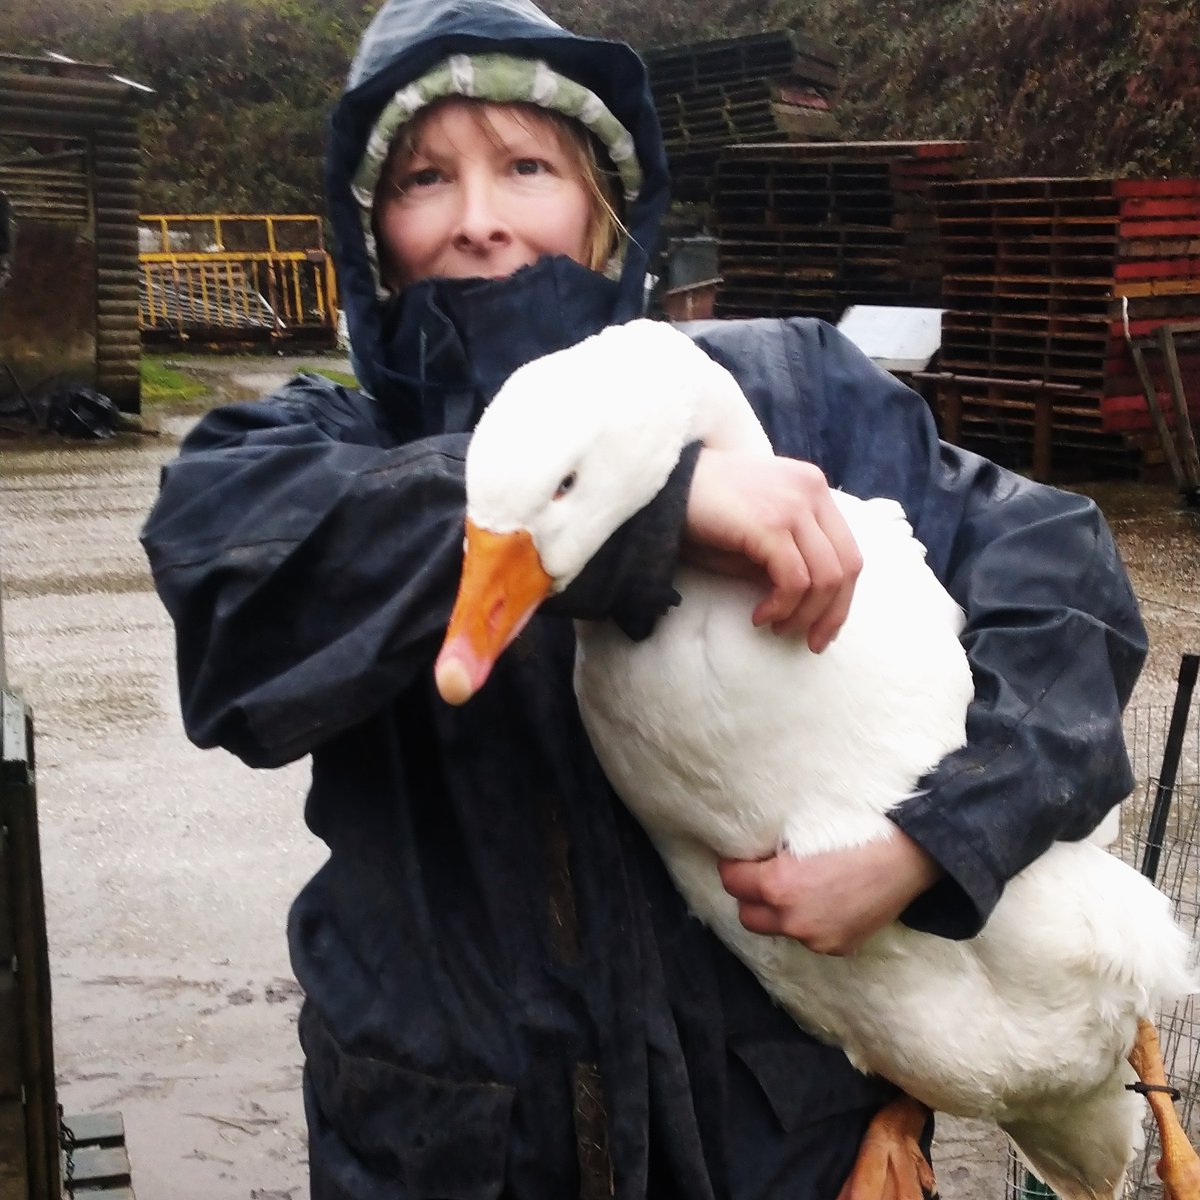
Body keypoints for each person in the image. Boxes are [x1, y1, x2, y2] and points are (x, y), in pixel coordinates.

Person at [140, 0, 1148, 1196]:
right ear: (370, 233)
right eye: (422, 179)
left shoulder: (801, 396)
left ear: (608, 209)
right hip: (451, 1152)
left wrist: (941, 842)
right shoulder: (308, 449)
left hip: (772, 1147)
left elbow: (1062, 583)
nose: (479, 222)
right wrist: (658, 512)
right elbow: (237, 604)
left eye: (526, 167)